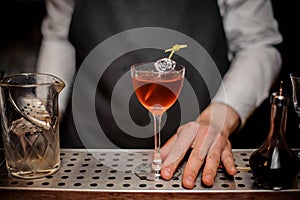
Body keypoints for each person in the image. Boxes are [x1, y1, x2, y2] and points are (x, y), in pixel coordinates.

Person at [37, 0, 282, 189]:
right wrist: (42, 115)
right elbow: (59, 36)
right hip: (87, 154)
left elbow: (258, 45)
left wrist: (217, 119)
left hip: (195, 157)